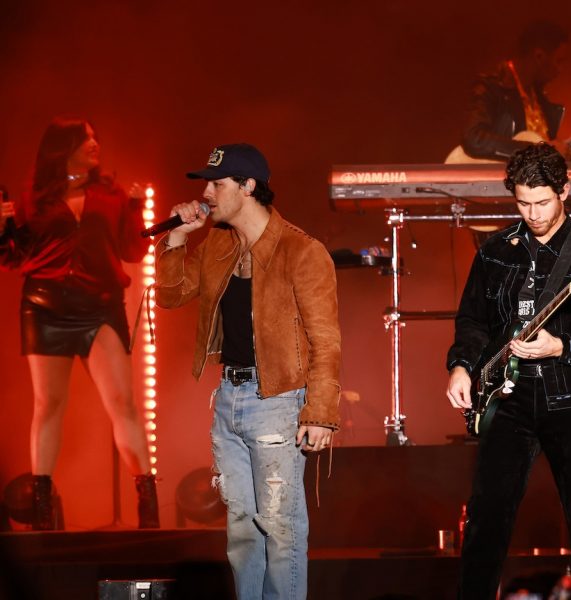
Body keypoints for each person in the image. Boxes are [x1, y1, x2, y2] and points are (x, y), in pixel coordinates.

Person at [155, 143, 342, 600]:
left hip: (277, 401)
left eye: (217, 184)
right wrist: (177, 238)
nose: (207, 194)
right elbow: (172, 295)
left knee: (281, 528)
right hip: (229, 399)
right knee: (242, 531)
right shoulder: (218, 244)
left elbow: (327, 339)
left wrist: (320, 411)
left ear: (248, 186)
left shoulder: (302, 250)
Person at [446, 142, 571, 598]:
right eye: (523, 203)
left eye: (543, 201)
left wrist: (561, 345)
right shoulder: (494, 252)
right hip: (508, 400)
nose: (533, 213)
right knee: (487, 517)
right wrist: (461, 367)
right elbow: (472, 321)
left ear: (564, 190)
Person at [0, 118, 159, 530]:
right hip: (44, 306)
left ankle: (148, 503)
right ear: (62, 147)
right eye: (84, 138)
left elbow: (131, 251)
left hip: (99, 307)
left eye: (95, 137)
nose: (94, 143)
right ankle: (42, 506)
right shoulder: (33, 197)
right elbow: (14, 258)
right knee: (48, 406)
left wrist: (138, 209)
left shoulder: (111, 193)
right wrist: (3, 229)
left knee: (123, 404)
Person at [448, 20, 571, 163]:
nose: (560, 69)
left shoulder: (541, 101)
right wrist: (535, 150)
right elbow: (474, 138)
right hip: (498, 182)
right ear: (539, 56)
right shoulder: (491, 88)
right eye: (559, 61)